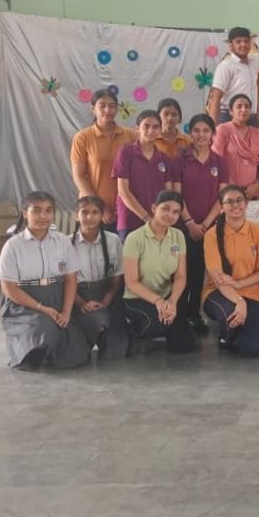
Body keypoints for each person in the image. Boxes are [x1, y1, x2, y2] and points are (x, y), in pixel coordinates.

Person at [0, 191, 89, 370]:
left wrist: (66, 312)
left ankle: (50, 350)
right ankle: (27, 352)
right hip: (24, 302)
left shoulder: (62, 242)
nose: (43, 216)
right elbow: (9, 288)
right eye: (37, 210)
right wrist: (41, 308)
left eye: (48, 210)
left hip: (56, 297)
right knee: (44, 327)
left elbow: (70, 279)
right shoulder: (13, 246)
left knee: (76, 353)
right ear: (25, 213)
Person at [121, 190, 196, 354]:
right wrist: (158, 301)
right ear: (154, 208)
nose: (170, 215)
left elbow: (180, 275)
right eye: (165, 209)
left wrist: (172, 301)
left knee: (184, 345)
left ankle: (167, 324)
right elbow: (131, 282)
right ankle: (132, 331)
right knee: (156, 324)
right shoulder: (134, 238)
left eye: (175, 212)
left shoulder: (178, 236)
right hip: (137, 298)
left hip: (167, 297)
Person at [202, 185, 259, 357]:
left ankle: (236, 333)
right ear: (222, 207)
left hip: (252, 293)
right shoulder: (212, 235)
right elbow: (218, 277)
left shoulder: (257, 232)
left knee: (252, 349)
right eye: (229, 202)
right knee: (229, 311)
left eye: (239, 200)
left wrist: (239, 284)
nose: (235, 205)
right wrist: (239, 301)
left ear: (246, 203)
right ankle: (226, 335)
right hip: (219, 292)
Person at [177, 113, 228, 335]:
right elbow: (177, 194)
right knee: (183, 271)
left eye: (205, 130)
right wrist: (190, 222)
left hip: (210, 228)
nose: (201, 135)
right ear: (190, 133)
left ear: (213, 134)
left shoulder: (220, 162)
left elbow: (222, 197)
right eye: (196, 130)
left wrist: (205, 224)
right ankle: (179, 315)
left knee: (201, 272)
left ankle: (194, 314)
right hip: (183, 226)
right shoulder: (180, 160)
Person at [70, 195, 128, 359]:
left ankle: (102, 335)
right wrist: (81, 302)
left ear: (102, 215)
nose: (89, 217)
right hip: (78, 295)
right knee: (96, 321)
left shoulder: (113, 240)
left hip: (107, 293)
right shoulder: (66, 244)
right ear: (76, 216)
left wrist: (105, 302)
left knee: (117, 352)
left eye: (95, 212)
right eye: (84, 212)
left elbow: (117, 275)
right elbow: (65, 281)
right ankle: (82, 338)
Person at [70, 88, 136, 230]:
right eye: (102, 106)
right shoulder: (82, 138)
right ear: (93, 108)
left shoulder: (130, 136)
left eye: (112, 106)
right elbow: (79, 177)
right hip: (92, 210)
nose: (107, 110)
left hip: (125, 210)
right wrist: (100, 207)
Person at [112, 110, 177, 240]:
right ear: (137, 128)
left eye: (155, 127)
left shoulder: (163, 158)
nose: (151, 130)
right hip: (130, 221)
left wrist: (160, 218)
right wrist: (146, 218)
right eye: (146, 126)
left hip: (157, 223)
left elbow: (168, 193)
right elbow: (123, 191)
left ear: (160, 130)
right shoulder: (126, 152)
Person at [212, 94, 259, 200]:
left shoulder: (257, 133)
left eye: (247, 107)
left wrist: (257, 185)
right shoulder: (222, 130)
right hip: (228, 191)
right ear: (231, 111)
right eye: (239, 106)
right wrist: (231, 187)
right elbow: (215, 160)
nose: (243, 109)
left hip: (252, 193)